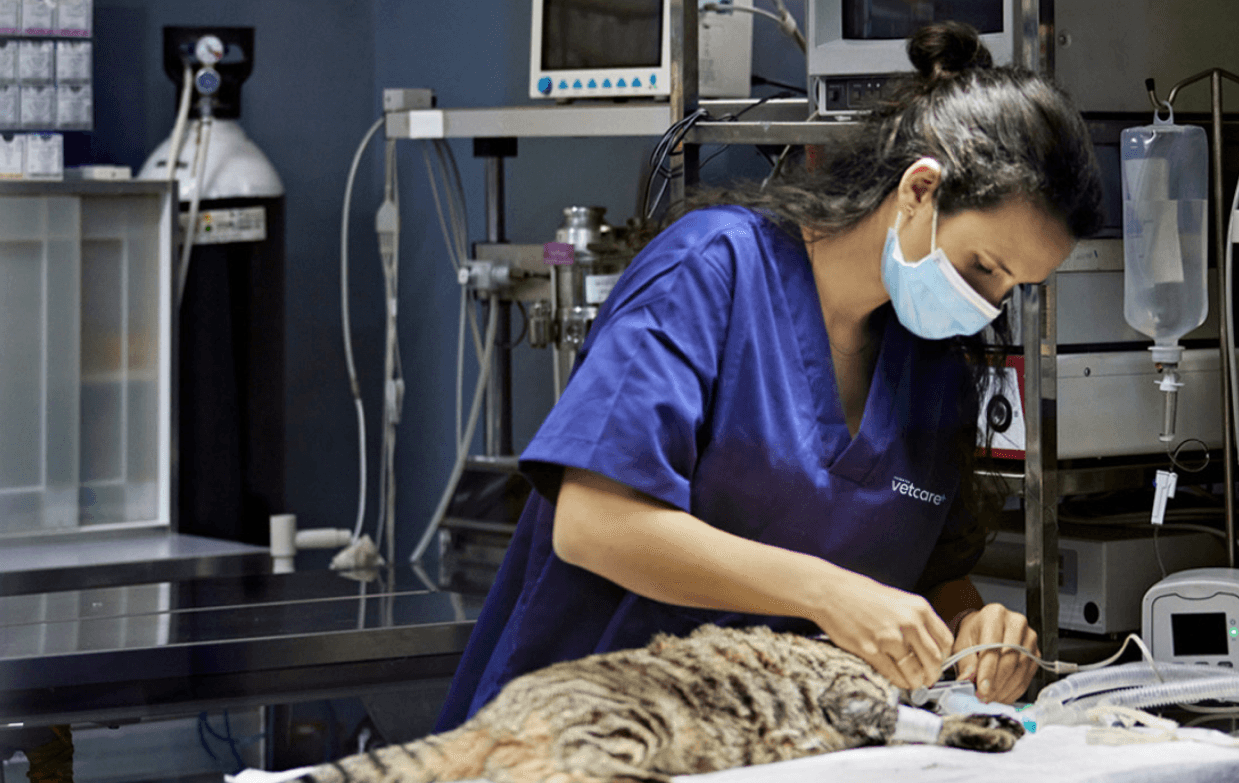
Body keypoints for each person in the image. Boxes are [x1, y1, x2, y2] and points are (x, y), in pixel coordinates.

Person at [435, 21, 1102, 732]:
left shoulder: (931, 369)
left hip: (761, 758)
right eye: (982, 267)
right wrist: (824, 594)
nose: (986, 305)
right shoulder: (712, 272)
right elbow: (593, 523)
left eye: (1013, 288)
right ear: (918, 190)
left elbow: (926, 575)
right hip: (578, 742)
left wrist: (974, 627)